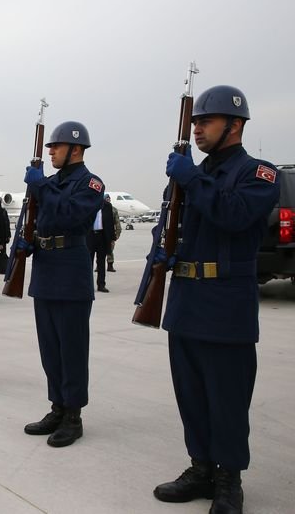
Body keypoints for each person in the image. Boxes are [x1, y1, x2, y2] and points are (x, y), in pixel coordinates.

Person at [151, 86, 279, 514]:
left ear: (235, 125)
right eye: (195, 122)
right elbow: (170, 222)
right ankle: (200, 467)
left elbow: (234, 215)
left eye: (206, 121)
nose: (198, 128)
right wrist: (159, 253)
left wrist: (190, 178)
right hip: (186, 300)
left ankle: (228, 479)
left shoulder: (258, 173)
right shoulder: (194, 173)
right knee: (191, 394)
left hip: (226, 303)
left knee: (227, 397)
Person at [21, 121, 103, 447]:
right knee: (50, 349)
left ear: (76, 149)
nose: (51, 151)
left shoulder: (91, 184)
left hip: (71, 271)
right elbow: (37, 218)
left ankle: (73, 415)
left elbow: (69, 215)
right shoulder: (51, 183)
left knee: (71, 348)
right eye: (50, 146)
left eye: (55, 146)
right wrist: (24, 242)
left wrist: (41, 187)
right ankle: (57, 406)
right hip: (46, 269)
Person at [87, 193, 116, 293]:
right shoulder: (87, 203)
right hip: (89, 237)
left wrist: (112, 239)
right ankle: (88, 286)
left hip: (102, 237)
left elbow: (110, 223)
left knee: (101, 262)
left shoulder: (107, 206)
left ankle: (101, 284)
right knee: (88, 262)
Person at [106, 194, 121, 272]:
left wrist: (117, 233)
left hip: (110, 233)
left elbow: (117, 223)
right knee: (100, 250)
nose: (108, 200)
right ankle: (98, 266)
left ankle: (110, 265)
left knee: (110, 250)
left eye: (109, 198)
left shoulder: (114, 210)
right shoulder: (98, 208)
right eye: (106, 198)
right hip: (100, 234)